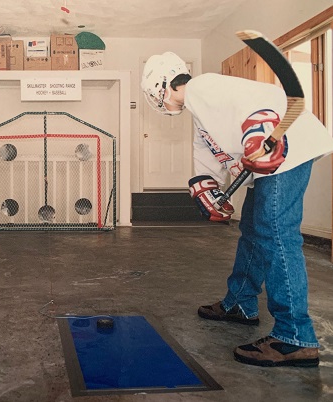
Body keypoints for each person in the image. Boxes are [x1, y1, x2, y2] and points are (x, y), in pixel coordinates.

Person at [141, 51, 333, 367]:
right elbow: (207, 153)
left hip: (289, 151)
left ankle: (293, 337)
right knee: (255, 231)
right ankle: (240, 302)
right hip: (278, 157)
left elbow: (258, 103)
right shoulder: (201, 109)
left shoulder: (205, 87)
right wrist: (207, 186)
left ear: (160, 88)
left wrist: (261, 131)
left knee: (275, 234)